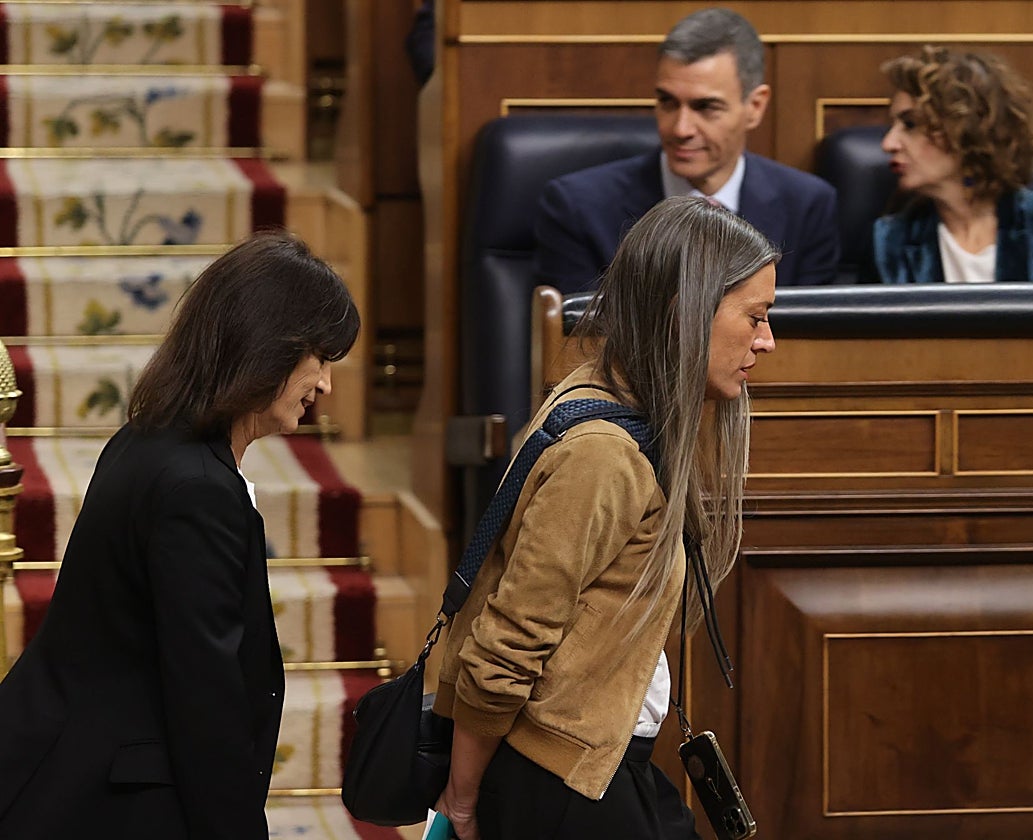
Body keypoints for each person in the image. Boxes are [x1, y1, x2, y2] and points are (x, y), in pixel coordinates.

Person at [433, 195, 778, 840]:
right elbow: (508, 638)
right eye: (755, 317)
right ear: (685, 312)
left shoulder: (605, 398)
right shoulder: (603, 456)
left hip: (606, 760)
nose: (766, 341)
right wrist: (462, 798)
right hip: (560, 781)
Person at [0, 232, 360, 839]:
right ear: (268, 348)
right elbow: (205, 700)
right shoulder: (197, 490)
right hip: (110, 796)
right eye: (319, 358)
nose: (324, 384)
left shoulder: (151, 440)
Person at [533, 6, 838, 291]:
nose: (680, 129)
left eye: (705, 107)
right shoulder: (579, 208)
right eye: (667, 102)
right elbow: (580, 344)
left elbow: (807, 342)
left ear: (755, 107)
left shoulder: (807, 206)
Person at [863, 45, 1033, 283]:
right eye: (893, 126)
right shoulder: (890, 241)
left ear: (967, 130)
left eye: (910, 125)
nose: (888, 143)